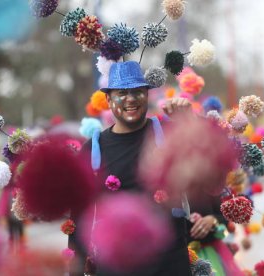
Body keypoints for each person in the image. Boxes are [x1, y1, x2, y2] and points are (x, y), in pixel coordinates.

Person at [69, 61, 192, 276]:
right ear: (108, 99)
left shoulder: (170, 134)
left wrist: (189, 121)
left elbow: (204, 171)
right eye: (122, 93)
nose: (131, 99)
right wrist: (78, 261)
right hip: (117, 267)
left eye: (137, 91)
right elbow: (79, 214)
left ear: (147, 95)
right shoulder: (93, 149)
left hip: (170, 264)